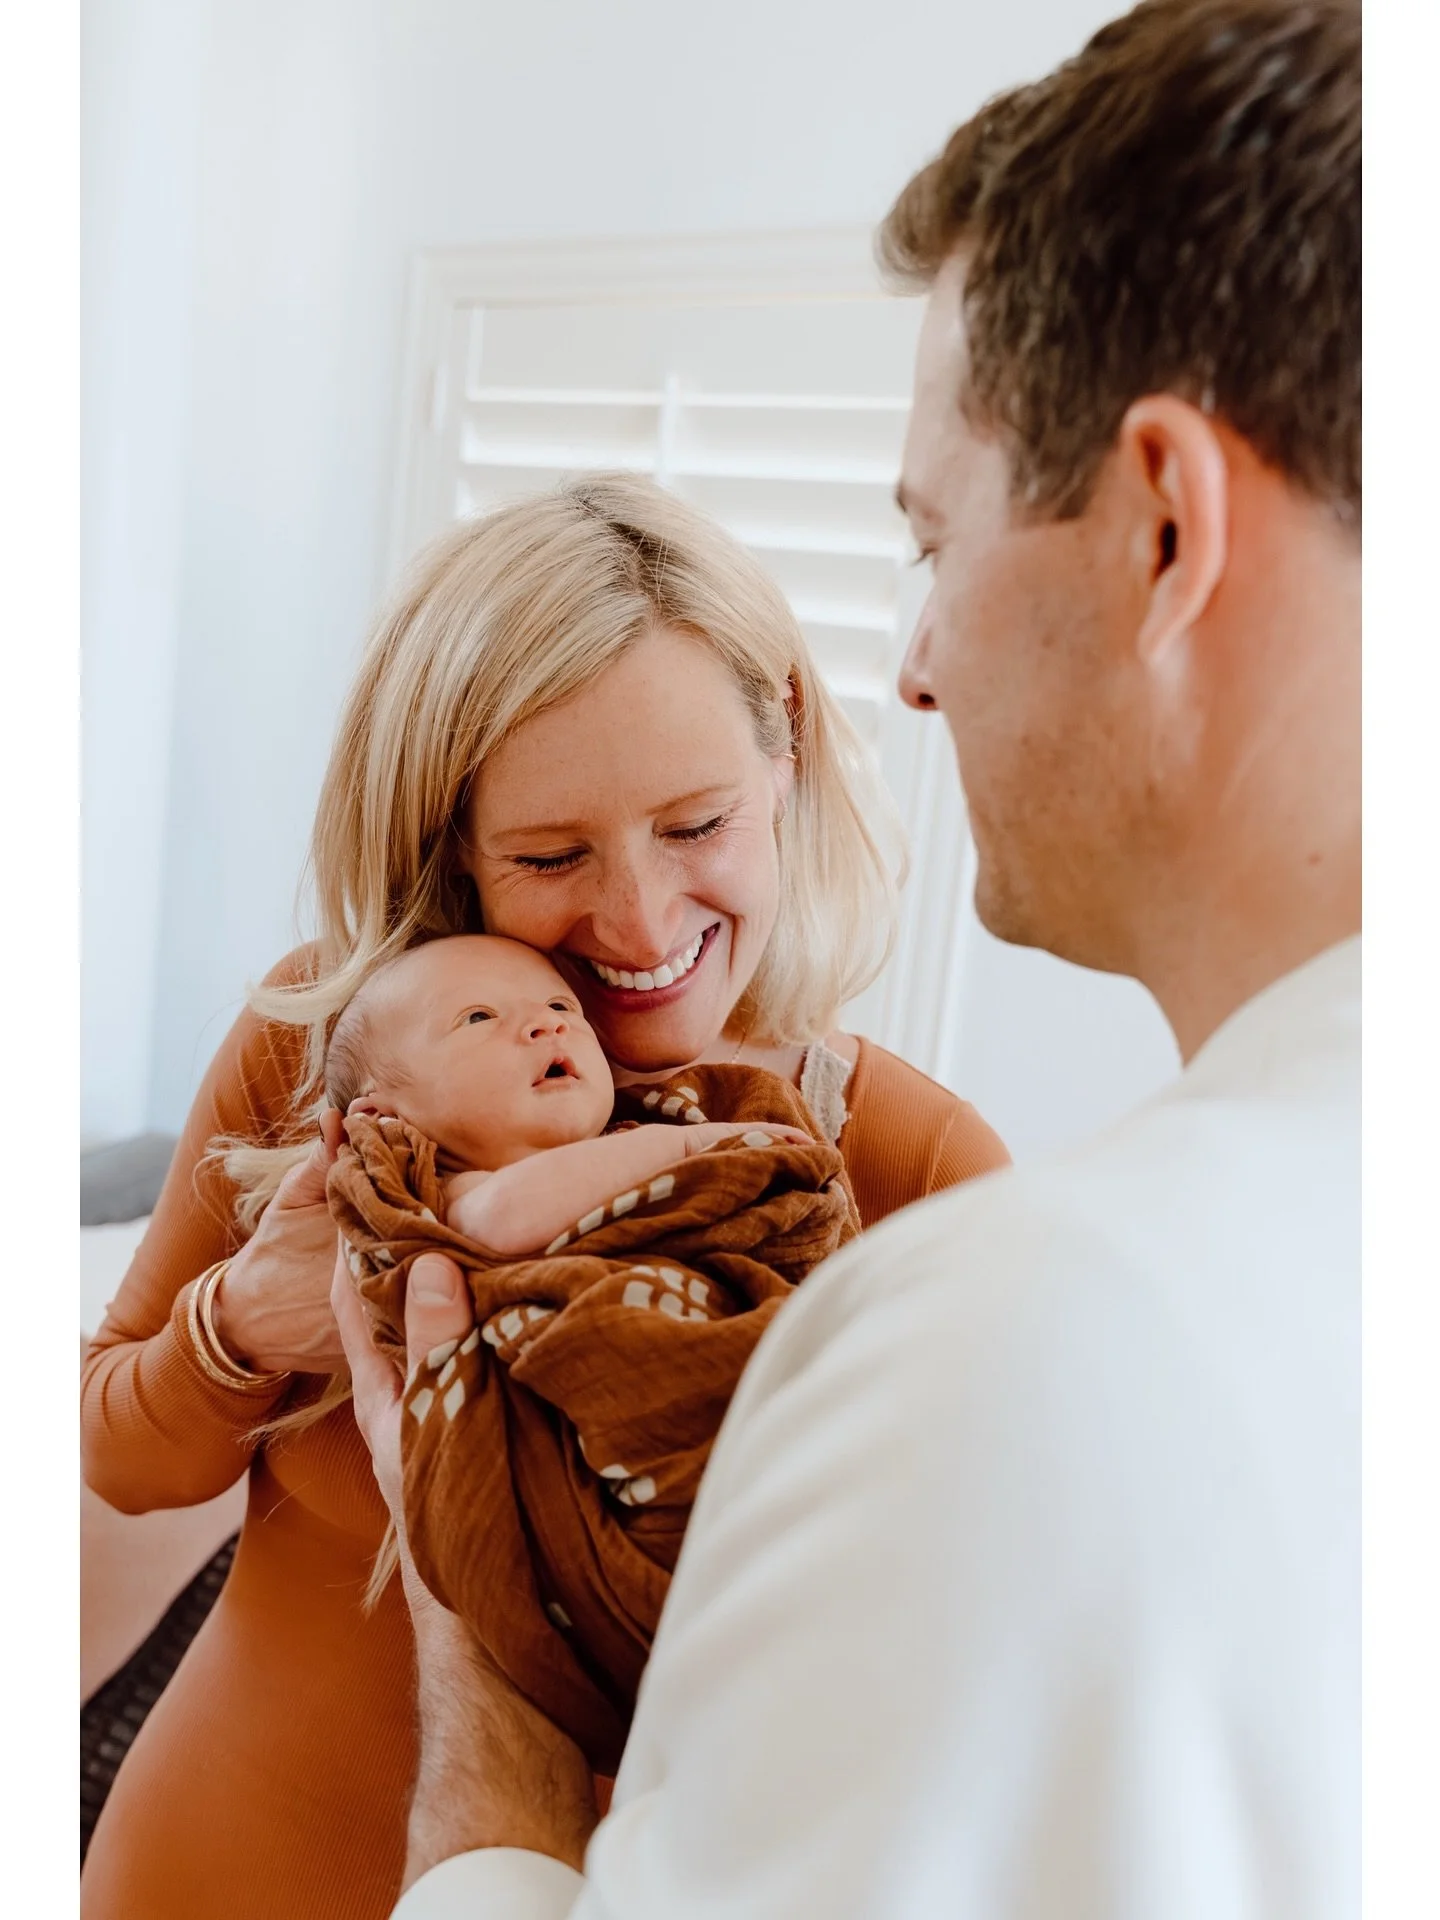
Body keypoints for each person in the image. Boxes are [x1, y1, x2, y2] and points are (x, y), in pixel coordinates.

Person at [341, 2, 1361, 1914]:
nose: (916, 660)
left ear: (1163, 526)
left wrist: (485, 1673)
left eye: (930, 535)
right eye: (552, 850)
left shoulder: (1007, 1332)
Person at [79, 475, 1009, 1919]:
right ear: (451, 842)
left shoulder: (906, 1171)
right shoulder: (326, 1044)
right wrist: (239, 1328)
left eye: (696, 824)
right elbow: (119, 1456)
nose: (638, 926)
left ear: (788, 751)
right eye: (551, 855)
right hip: (202, 1870)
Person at [321, 931, 850, 1773]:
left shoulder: (668, 1113)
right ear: (387, 1116)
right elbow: (503, 1222)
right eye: (480, 1017)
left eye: (562, 1009)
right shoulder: (452, 1194)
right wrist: (690, 1152)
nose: (546, 1029)